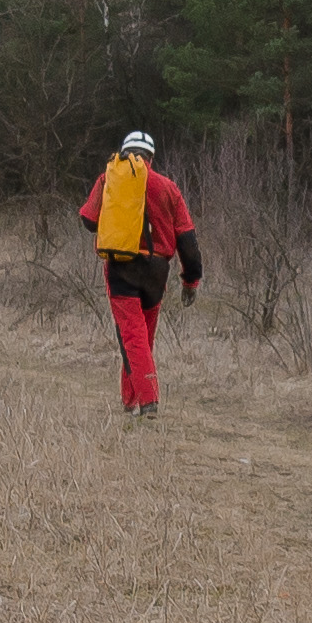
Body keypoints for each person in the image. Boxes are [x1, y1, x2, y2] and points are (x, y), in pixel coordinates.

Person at [75, 130, 201, 414]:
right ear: (151, 158)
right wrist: (191, 281)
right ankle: (130, 400)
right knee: (143, 337)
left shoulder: (108, 179)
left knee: (132, 336)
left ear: (124, 152)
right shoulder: (168, 187)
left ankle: (147, 401)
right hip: (157, 271)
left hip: (122, 266)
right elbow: (187, 239)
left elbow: (87, 219)